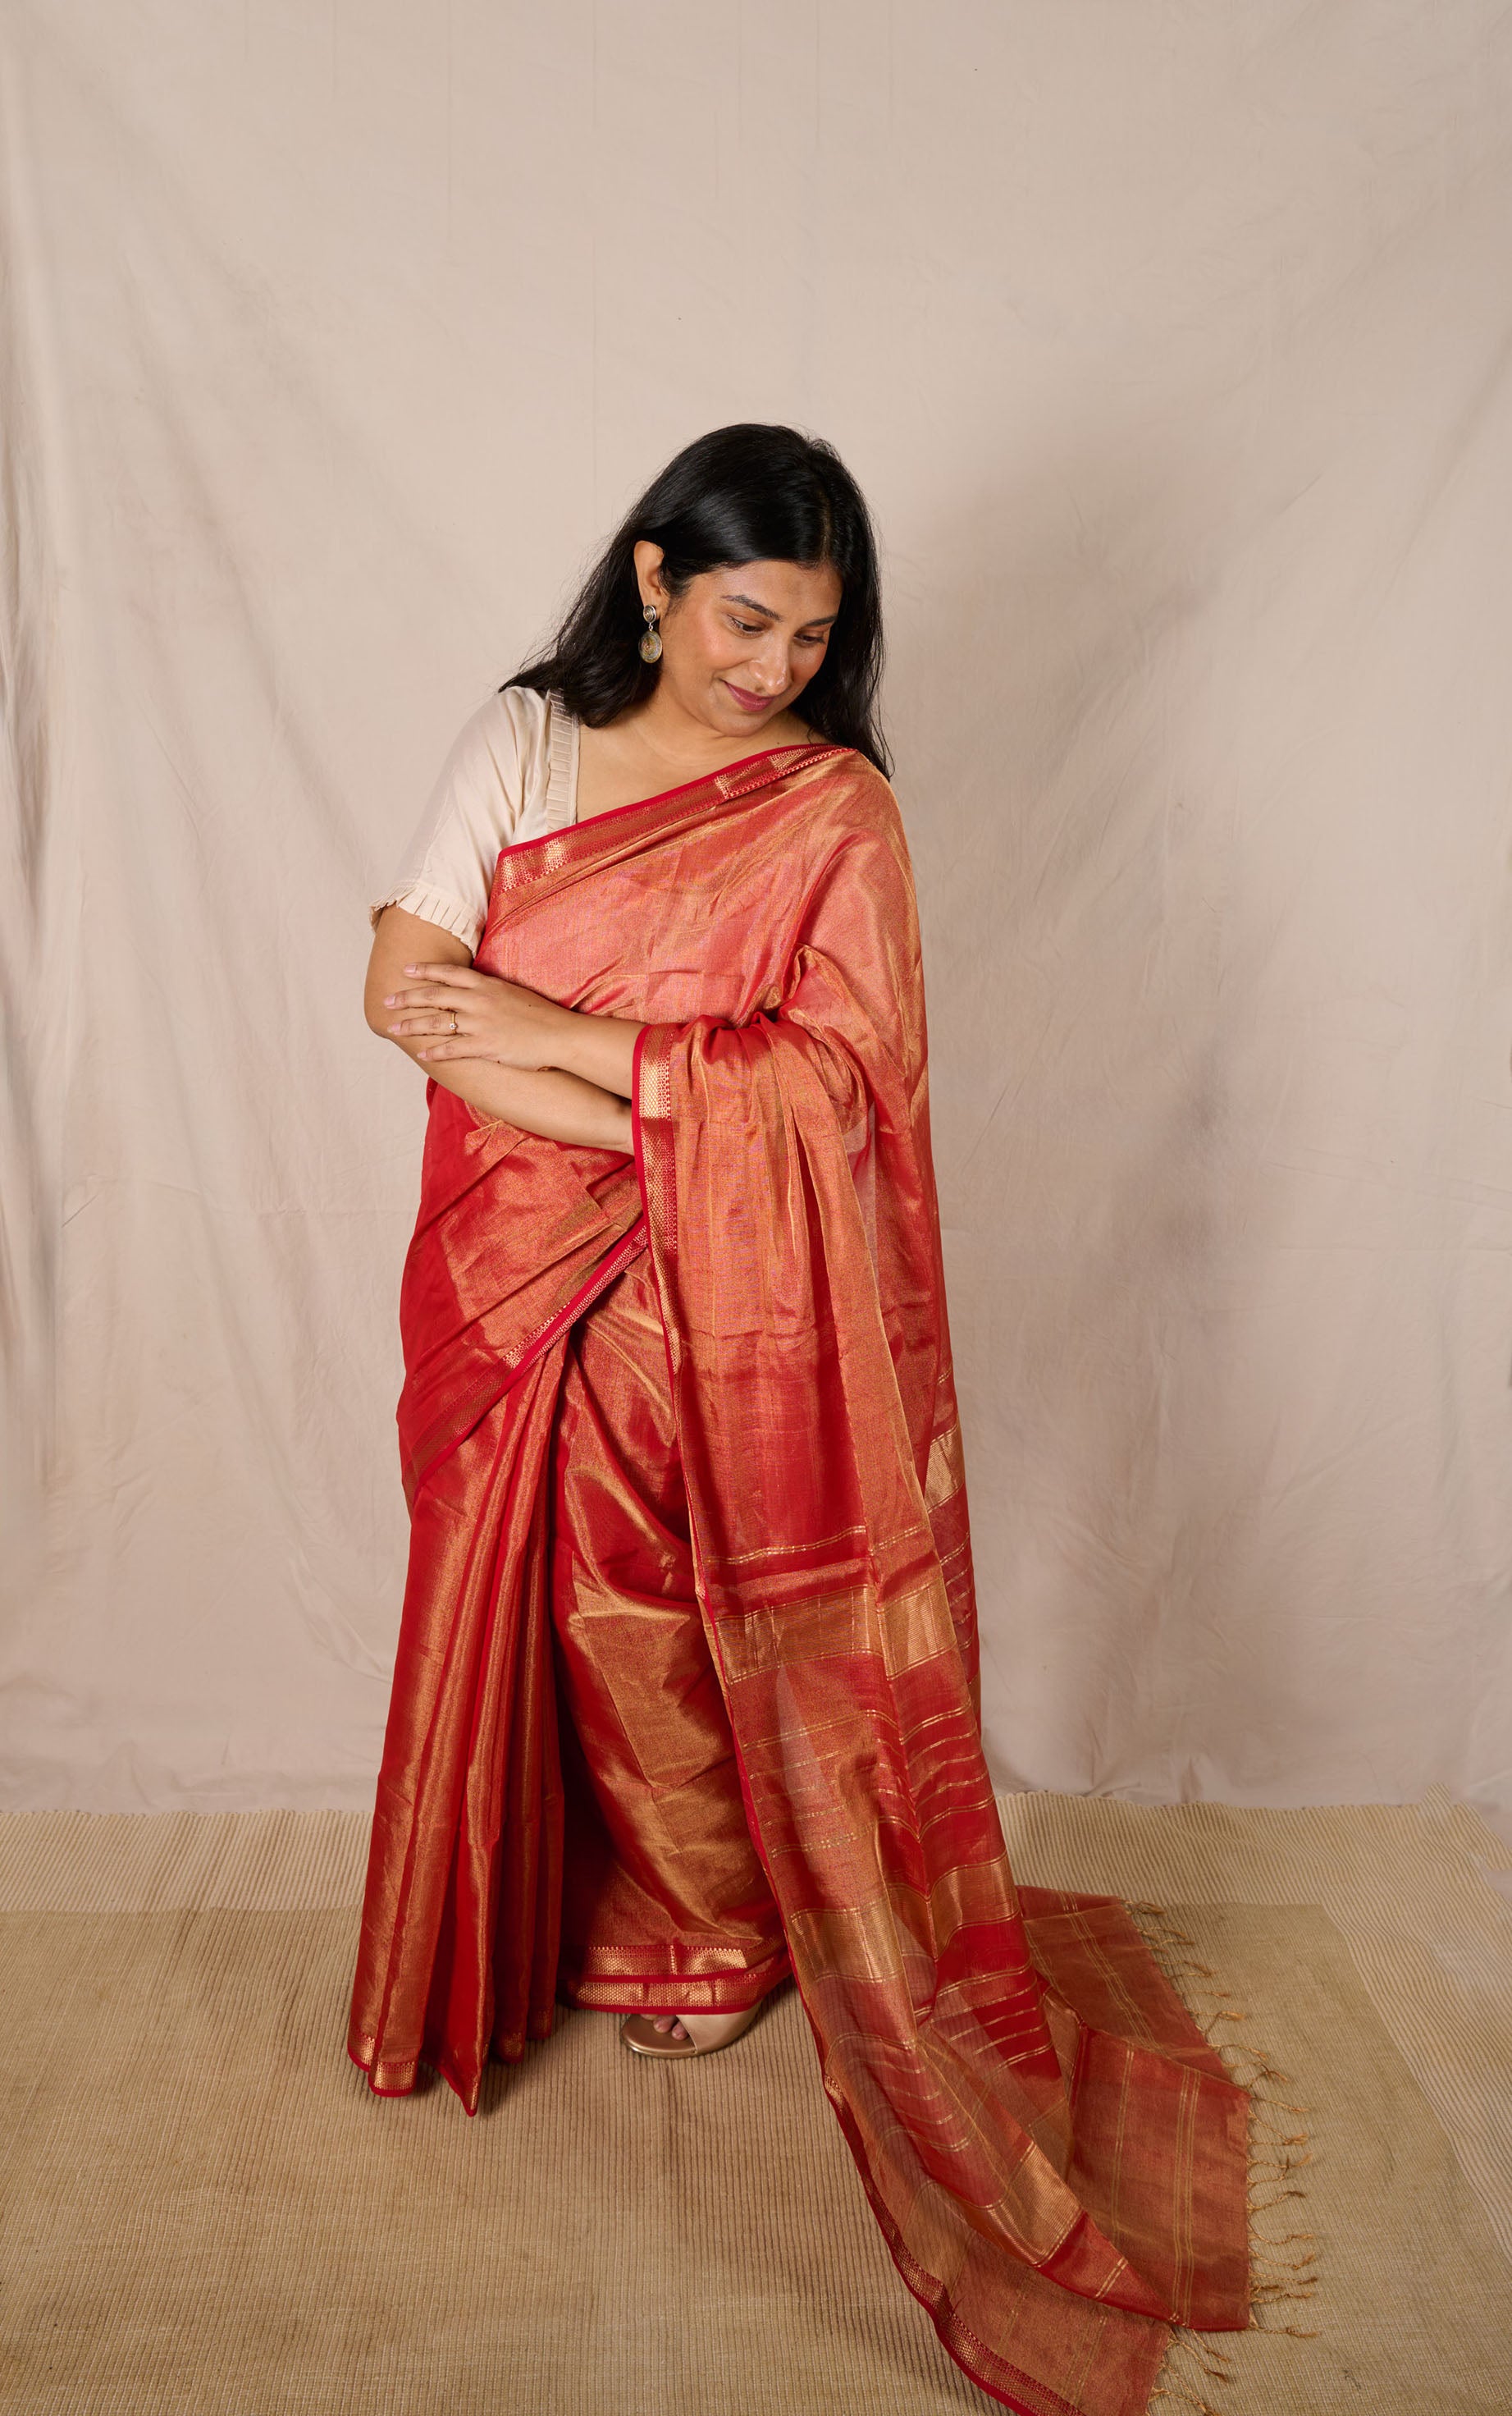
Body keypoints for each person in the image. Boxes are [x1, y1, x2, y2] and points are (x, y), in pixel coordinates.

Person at [350, 424, 1250, 2415]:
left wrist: (573, 1050)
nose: (770, 666)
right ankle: (554, 1915)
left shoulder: (836, 812)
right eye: (746, 618)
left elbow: (837, 1096)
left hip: (717, 1294)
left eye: (812, 635)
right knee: (521, 1584)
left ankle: (711, 1923)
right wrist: (650, 1093)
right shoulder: (518, 740)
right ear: (658, 579)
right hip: (500, 1261)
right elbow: (400, 987)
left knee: (651, 1588)